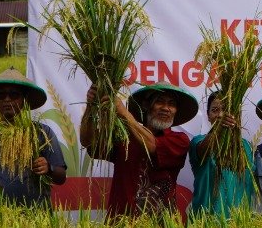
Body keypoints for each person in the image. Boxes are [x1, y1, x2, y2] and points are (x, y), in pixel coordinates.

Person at [82, 81, 196, 219]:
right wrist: (91, 106)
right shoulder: (124, 136)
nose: (166, 108)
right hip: (121, 225)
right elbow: (88, 142)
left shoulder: (180, 140)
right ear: (146, 105)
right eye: (159, 101)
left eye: (172, 104)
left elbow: (151, 145)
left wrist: (123, 113)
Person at [0, 68, 67, 209]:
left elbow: (61, 177)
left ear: (25, 100)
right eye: (1, 96)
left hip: (36, 220)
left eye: (14, 95)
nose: (7, 100)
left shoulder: (41, 133)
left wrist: (48, 168)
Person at [187, 92, 258, 220]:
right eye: (215, 110)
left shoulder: (247, 146)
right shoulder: (198, 141)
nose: (220, 115)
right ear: (208, 116)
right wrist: (219, 130)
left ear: (236, 114)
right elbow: (204, 150)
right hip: (206, 222)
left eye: (225, 110)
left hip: (239, 225)